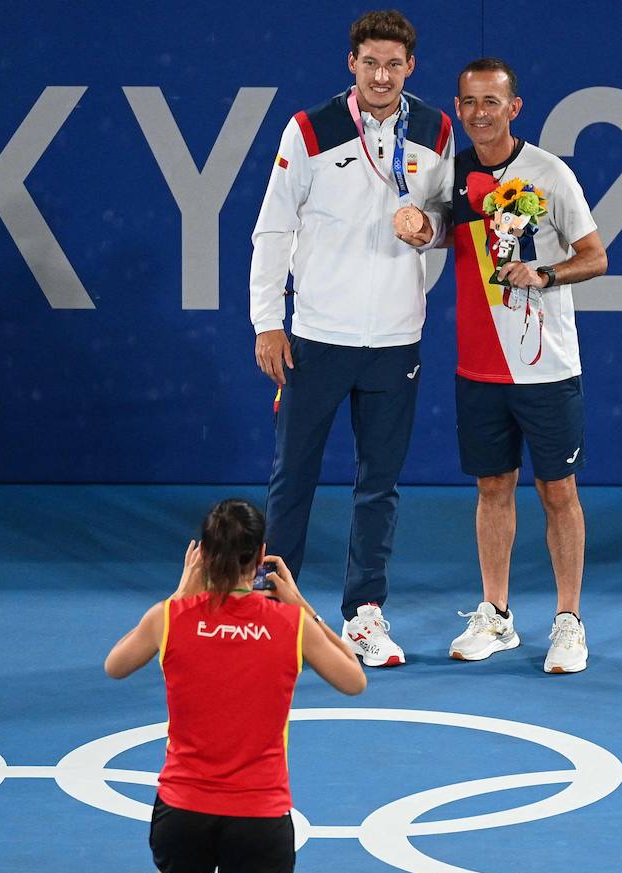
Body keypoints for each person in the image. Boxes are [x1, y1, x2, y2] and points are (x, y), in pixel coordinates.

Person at [249, 9, 454, 668]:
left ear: (411, 67)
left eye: (394, 64)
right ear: (351, 63)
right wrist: (267, 322)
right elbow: (273, 230)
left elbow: (451, 219)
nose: (382, 75)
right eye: (371, 63)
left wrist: (429, 230)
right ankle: (274, 609)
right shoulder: (308, 129)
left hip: (396, 339)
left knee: (379, 484)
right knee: (294, 478)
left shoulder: (435, 130)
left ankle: (364, 614)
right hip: (317, 336)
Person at [104, 498, 365, 873]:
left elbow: (115, 665)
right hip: (258, 817)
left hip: (183, 813)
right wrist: (301, 605)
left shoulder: (169, 618)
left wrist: (179, 596)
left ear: (202, 555)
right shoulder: (291, 625)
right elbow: (354, 679)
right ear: (261, 556)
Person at [435, 58, 607, 673]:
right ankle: (497, 615)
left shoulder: (550, 174)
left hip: (547, 367)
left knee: (558, 492)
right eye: (469, 102)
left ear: (515, 107)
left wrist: (546, 273)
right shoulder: (448, 176)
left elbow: (595, 257)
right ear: (458, 108)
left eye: (492, 102)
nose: (480, 113)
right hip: (478, 368)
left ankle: (568, 621)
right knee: (492, 489)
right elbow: (428, 231)